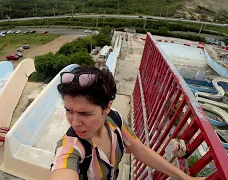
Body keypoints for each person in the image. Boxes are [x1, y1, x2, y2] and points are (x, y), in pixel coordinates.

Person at [50, 66, 204, 180]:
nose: (75, 123)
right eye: (69, 110)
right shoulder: (70, 147)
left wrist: (185, 178)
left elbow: (140, 150)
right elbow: (62, 168)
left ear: (107, 107)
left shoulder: (114, 121)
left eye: (85, 113)